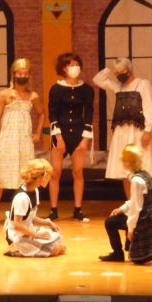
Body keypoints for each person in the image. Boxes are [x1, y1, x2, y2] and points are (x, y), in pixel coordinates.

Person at [99, 144, 152, 265]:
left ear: (128, 162)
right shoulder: (143, 175)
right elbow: (135, 200)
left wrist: (131, 230)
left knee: (140, 259)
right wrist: (122, 209)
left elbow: (135, 209)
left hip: (144, 221)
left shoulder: (137, 181)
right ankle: (117, 253)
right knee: (111, 222)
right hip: (147, 217)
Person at [0, 58, 44, 227]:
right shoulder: (4, 95)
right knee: (0, 177)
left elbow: (42, 113)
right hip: (7, 140)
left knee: (27, 178)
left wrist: (38, 133)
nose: (22, 76)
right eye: (19, 73)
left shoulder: (33, 96)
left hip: (25, 141)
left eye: (25, 73)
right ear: (13, 74)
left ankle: (26, 213)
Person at [92, 58, 152, 199]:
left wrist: (148, 130)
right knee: (125, 171)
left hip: (138, 131)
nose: (119, 75)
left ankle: (143, 203)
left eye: (121, 71)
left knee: (141, 168)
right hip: (122, 132)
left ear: (129, 69)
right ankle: (131, 203)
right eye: (117, 72)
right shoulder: (118, 86)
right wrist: (110, 69)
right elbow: (97, 79)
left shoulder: (143, 84)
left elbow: (149, 107)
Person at [47, 52, 94, 221]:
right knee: (55, 172)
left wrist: (85, 139)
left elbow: (89, 114)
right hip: (60, 133)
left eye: (76, 64)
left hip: (79, 134)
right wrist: (58, 137)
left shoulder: (87, 89)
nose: (74, 67)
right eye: (70, 64)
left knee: (78, 172)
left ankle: (78, 209)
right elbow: (52, 113)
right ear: (63, 68)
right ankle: (53, 210)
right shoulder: (56, 88)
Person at [3, 158, 66, 257]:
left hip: (28, 231)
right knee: (55, 250)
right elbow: (17, 225)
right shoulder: (21, 198)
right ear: (40, 177)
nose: (49, 178)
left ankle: (29, 246)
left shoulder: (35, 191)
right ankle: (16, 249)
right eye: (47, 175)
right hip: (17, 235)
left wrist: (47, 222)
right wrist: (36, 235)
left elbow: (30, 217)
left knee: (61, 247)